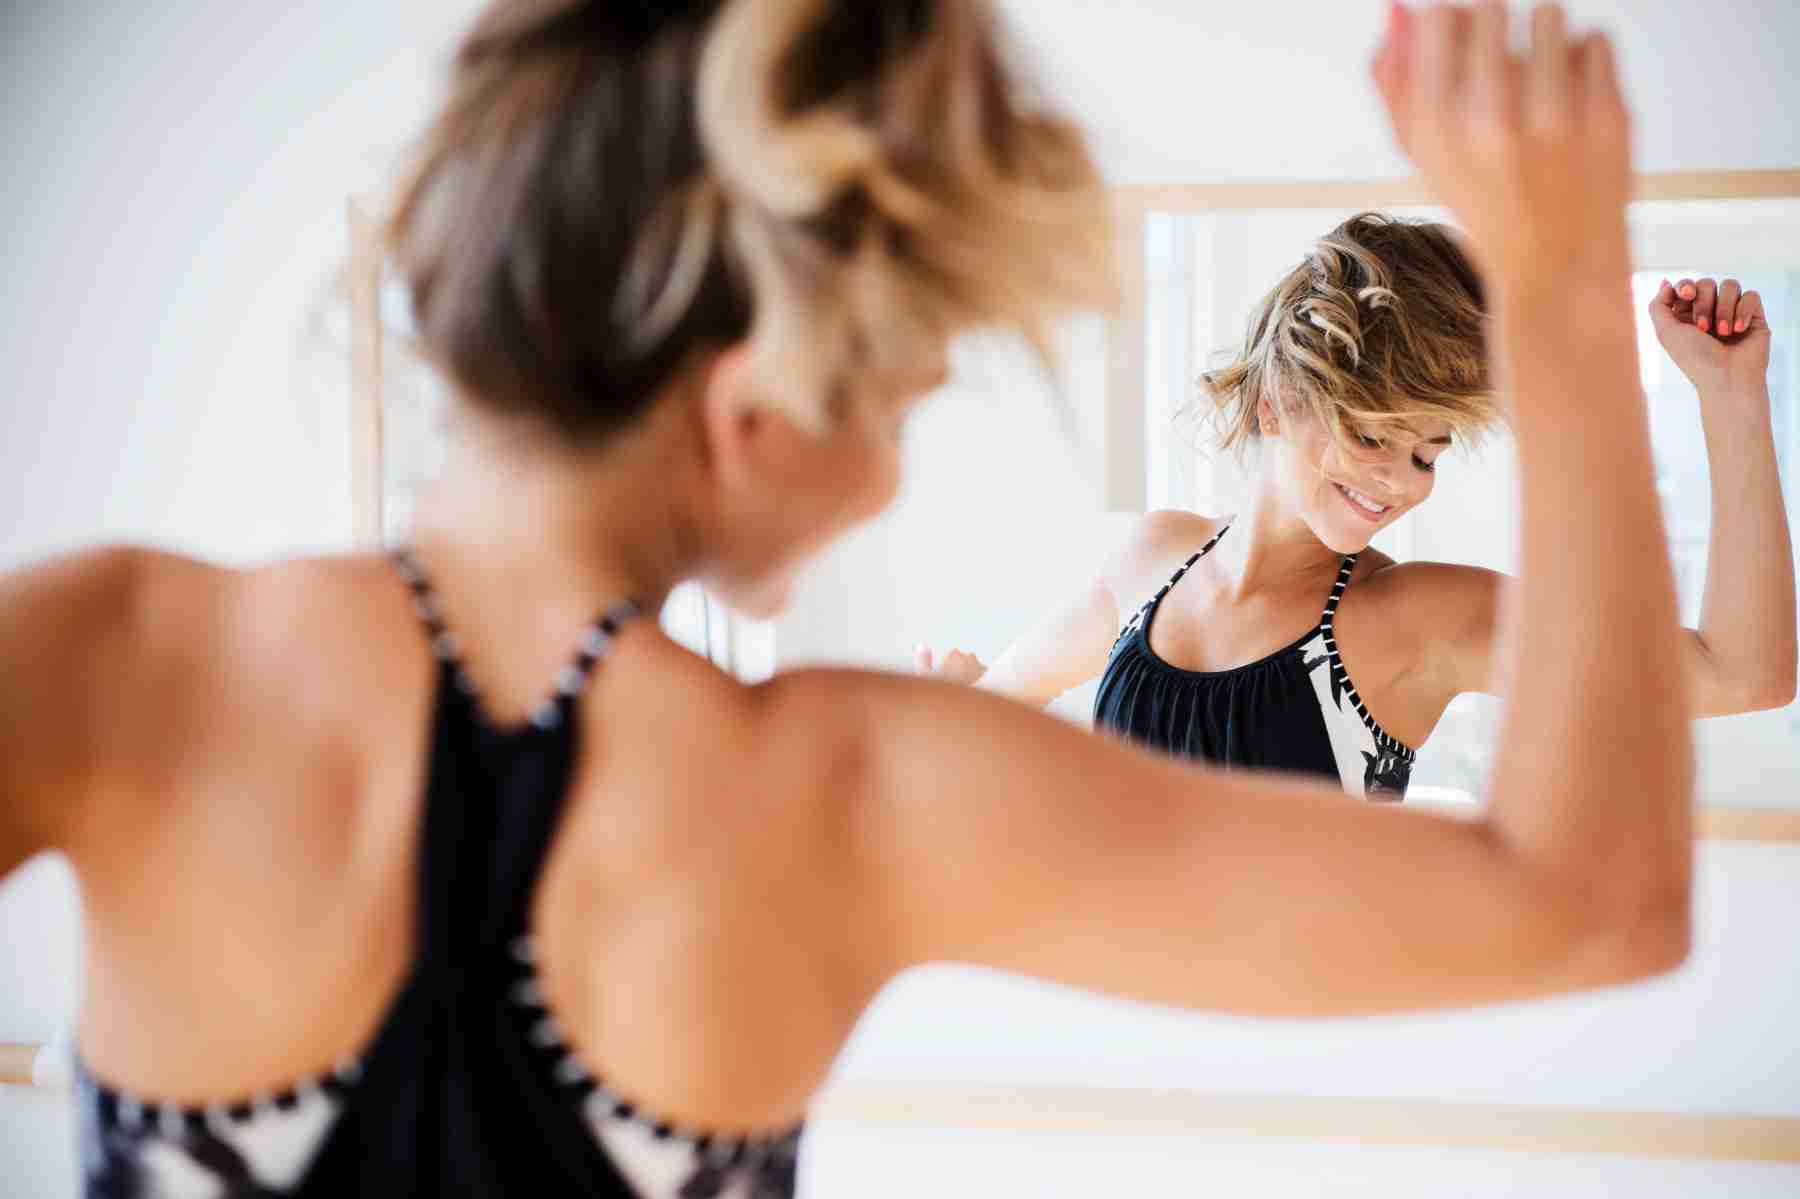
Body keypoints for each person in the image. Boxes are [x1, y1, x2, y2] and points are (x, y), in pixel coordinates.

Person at [0, 2, 1708, 1196]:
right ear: (751, 404)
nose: (891, 467)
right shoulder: (848, 786)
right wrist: (1556, 286)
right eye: (906, 393)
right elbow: (1591, 894)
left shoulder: (110, 652)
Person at [919, 228, 1794, 800]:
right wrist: (953, 702)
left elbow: (1744, 673)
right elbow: (1001, 699)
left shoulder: (1411, 621)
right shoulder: (1153, 562)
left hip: (1300, 1066)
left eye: (1427, 452)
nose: (1401, 483)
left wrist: (1729, 395)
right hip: (1118, 1041)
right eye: (1374, 435)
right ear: (1273, 401)